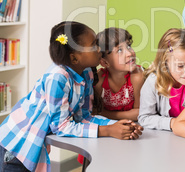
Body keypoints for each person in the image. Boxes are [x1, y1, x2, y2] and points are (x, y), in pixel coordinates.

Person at [0, 21, 143, 171]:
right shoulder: (57, 78)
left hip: (35, 144)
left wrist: (120, 125)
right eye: (94, 45)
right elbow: (61, 127)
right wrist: (107, 130)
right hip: (17, 144)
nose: (99, 49)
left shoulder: (87, 73)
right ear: (75, 58)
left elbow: (84, 116)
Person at [138, 28, 185, 131]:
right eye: (180, 66)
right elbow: (144, 118)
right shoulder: (153, 82)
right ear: (165, 62)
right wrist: (173, 123)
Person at [93, 27, 144, 121]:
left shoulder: (137, 77)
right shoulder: (99, 80)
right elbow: (94, 111)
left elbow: (140, 113)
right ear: (105, 63)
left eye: (129, 46)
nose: (129, 53)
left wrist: (105, 114)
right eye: (119, 50)